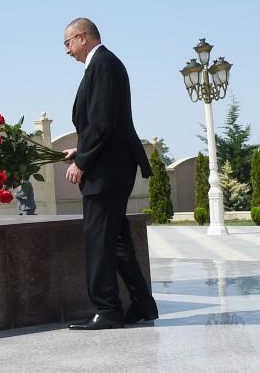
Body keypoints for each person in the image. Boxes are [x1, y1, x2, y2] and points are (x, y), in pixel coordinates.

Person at [61, 18, 158, 330]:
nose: (66, 51)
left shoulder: (102, 64)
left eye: (67, 43)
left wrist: (83, 162)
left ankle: (108, 310)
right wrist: (81, 148)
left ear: (83, 37)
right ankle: (143, 304)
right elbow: (104, 123)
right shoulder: (104, 65)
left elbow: (103, 122)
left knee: (98, 240)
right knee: (115, 240)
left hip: (107, 171)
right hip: (112, 164)